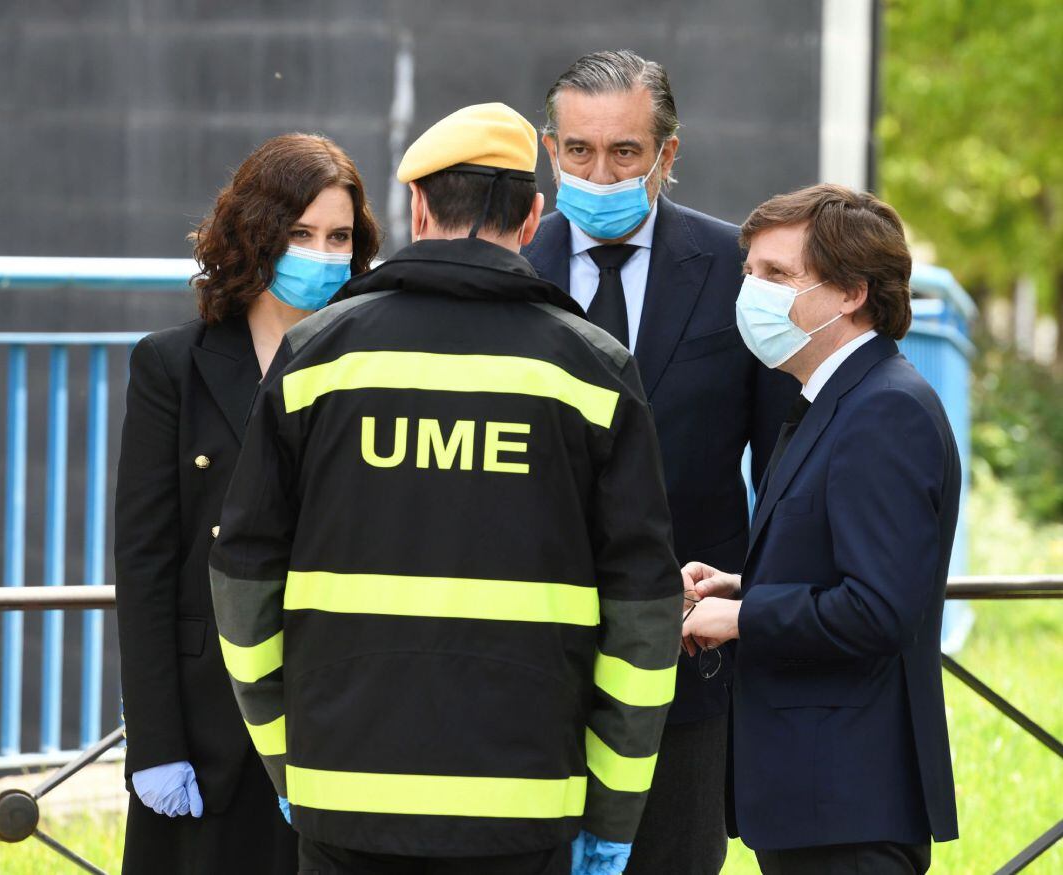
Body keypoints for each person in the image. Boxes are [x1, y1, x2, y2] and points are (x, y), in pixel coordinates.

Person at [208, 102, 683, 875]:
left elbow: (242, 576)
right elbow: (644, 613)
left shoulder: (318, 356)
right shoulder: (590, 369)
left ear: (417, 208)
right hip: (525, 809)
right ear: (533, 218)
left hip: (346, 797)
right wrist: (613, 814)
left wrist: (286, 756)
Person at [521, 49, 799, 874]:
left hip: (685, 661)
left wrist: (753, 604)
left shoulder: (738, 271)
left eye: (625, 152)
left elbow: (784, 465)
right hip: (527, 661)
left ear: (668, 155)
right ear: (549, 149)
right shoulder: (508, 269)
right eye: (578, 151)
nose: (598, 172)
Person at [115, 133, 381, 875]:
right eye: (300, 233)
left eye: (339, 237)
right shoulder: (172, 365)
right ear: (255, 231)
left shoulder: (373, 368)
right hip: (206, 722)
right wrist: (157, 743)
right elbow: (144, 565)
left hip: (336, 714)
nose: (322, 254)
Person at [681, 184, 960, 874]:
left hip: (850, 801)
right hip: (818, 798)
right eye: (750, 273)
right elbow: (847, 564)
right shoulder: (837, 399)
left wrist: (741, 617)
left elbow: (877, 609)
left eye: (778, 275)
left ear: (850, 293)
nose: (753, 292)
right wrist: (742, 585)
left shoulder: (882, 410)